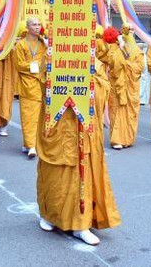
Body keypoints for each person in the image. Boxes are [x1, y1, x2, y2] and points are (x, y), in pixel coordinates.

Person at [37, 38, 122, 246]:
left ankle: (80, 224)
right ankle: (49, 215)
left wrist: (87, 80)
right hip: (58, 126)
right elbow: (43, 84)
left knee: (81, 174)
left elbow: (104, 89)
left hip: (84, 129)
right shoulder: (51, 56)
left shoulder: (94, 61)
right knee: (54, 173)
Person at [96, 26, 144, 150]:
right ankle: (116, 139)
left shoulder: (137, 50)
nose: (130, 34)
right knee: (117, 110)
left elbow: (140, 67)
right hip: (117, 85)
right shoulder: (114, 49)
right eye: (128, 32)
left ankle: (128, 138)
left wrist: (127, 64)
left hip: (132, 85)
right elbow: (113, 64)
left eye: (132, 32)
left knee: (130, 112)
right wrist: (120, 50)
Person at [13, 18, 47, 158]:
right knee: (28, 116)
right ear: (27, 27)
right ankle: (31, 145)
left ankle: (34, 143)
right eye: (34, 24)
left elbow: (49, 59)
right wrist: (35, 65)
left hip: (42, 83)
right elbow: (19, 64)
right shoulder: (21, 45)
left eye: (39, 24)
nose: (37, 27)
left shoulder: (43, 43)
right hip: (27, 83)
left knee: (40, 116)